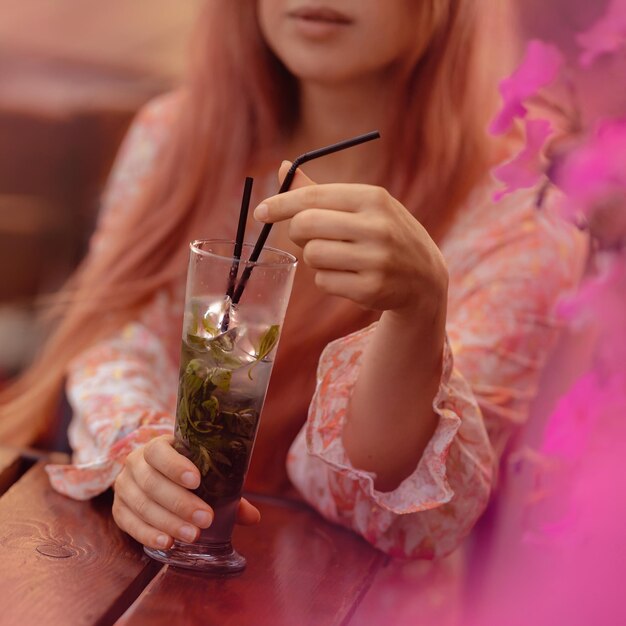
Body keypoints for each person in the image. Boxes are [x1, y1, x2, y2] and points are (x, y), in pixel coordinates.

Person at [0, 0, 585, 560]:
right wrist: (143, 460)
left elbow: (410, 518)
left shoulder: (521, 216)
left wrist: (417, 313)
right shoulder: (175, 134)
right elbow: (122, 340)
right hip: (147, 571)